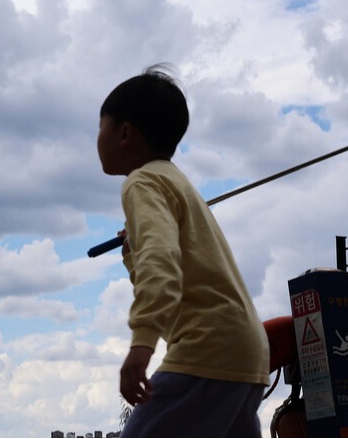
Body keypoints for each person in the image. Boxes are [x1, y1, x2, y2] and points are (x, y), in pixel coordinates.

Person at [97, 66, 270, 437]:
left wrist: (141, 344)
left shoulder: (141, 182)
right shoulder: (175, 180)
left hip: (206, 352)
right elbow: (169, 266)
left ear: (124, 133)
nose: (97, 138)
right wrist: (132, 253)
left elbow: (162, 262)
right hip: (246, 352)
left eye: (101, 127)